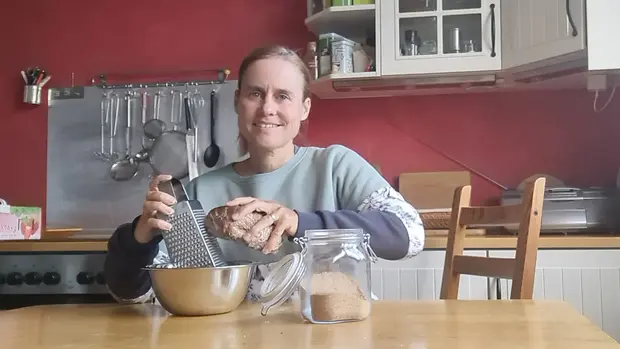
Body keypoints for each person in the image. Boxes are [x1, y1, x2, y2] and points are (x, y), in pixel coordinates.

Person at [103, 45, 425, 304]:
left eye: (283, 96)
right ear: (237, 101)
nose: (267, 108)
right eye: (255, 94)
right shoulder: (198, 195)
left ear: (305, 108)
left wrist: (298, 223)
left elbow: (409, 235)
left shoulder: (335, 166)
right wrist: (138, 238)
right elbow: (133, 294)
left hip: (334, 331)